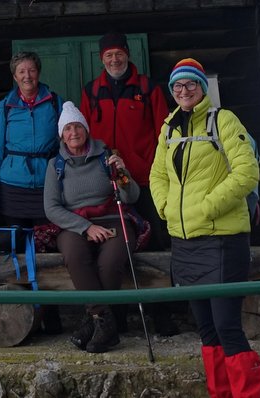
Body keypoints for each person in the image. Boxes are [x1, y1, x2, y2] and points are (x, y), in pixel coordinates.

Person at [149, 58, 260, 396]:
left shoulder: (223, 120)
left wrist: (206, 208)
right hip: (184, 242)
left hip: (223, 240)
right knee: (207, 330)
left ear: (202, 87)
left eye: (190, 84)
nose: (184, 90)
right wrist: (165, 208)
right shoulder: (169, 128)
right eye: (177, 86)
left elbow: (247, 173)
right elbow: (157, 174)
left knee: (227, 327)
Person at [79, 31, 178, 336]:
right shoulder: (91, 91)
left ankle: (162, 315)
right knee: (114, 249)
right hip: (107, 185)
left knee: (156, 244)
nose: (114, 60)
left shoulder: (147, 89)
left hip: (144, 181)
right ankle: (118, 316)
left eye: (118, 54)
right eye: (108, 55)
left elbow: (164, 133)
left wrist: (152, 167)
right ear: (101, 59)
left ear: (127, 54)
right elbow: (84, 136)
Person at [44, 101, 140, 353]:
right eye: (67, 129)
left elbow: (131, 196)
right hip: (74, 224)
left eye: (77, 127)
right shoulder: (55, 165)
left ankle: (93, 322)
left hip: (112, 218)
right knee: (75, 256)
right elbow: (51, 208)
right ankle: (106, 322)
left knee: (111, 260)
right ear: (61, 135)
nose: (73, 133)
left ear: (86, 130)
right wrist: (85, 227)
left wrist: (123, 175)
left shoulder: (106, 157)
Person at [0, 51, 64, 334]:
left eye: (31, 70)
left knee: (46, 249)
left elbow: (66, 141)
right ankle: (22, 314)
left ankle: (51, 313)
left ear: (38, 72)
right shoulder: (6, 106)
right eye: (21, 72)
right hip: (13, 186)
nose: (27, 76)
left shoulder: (54, 101)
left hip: (46, 184)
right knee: (17, 250)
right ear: (14, 76)